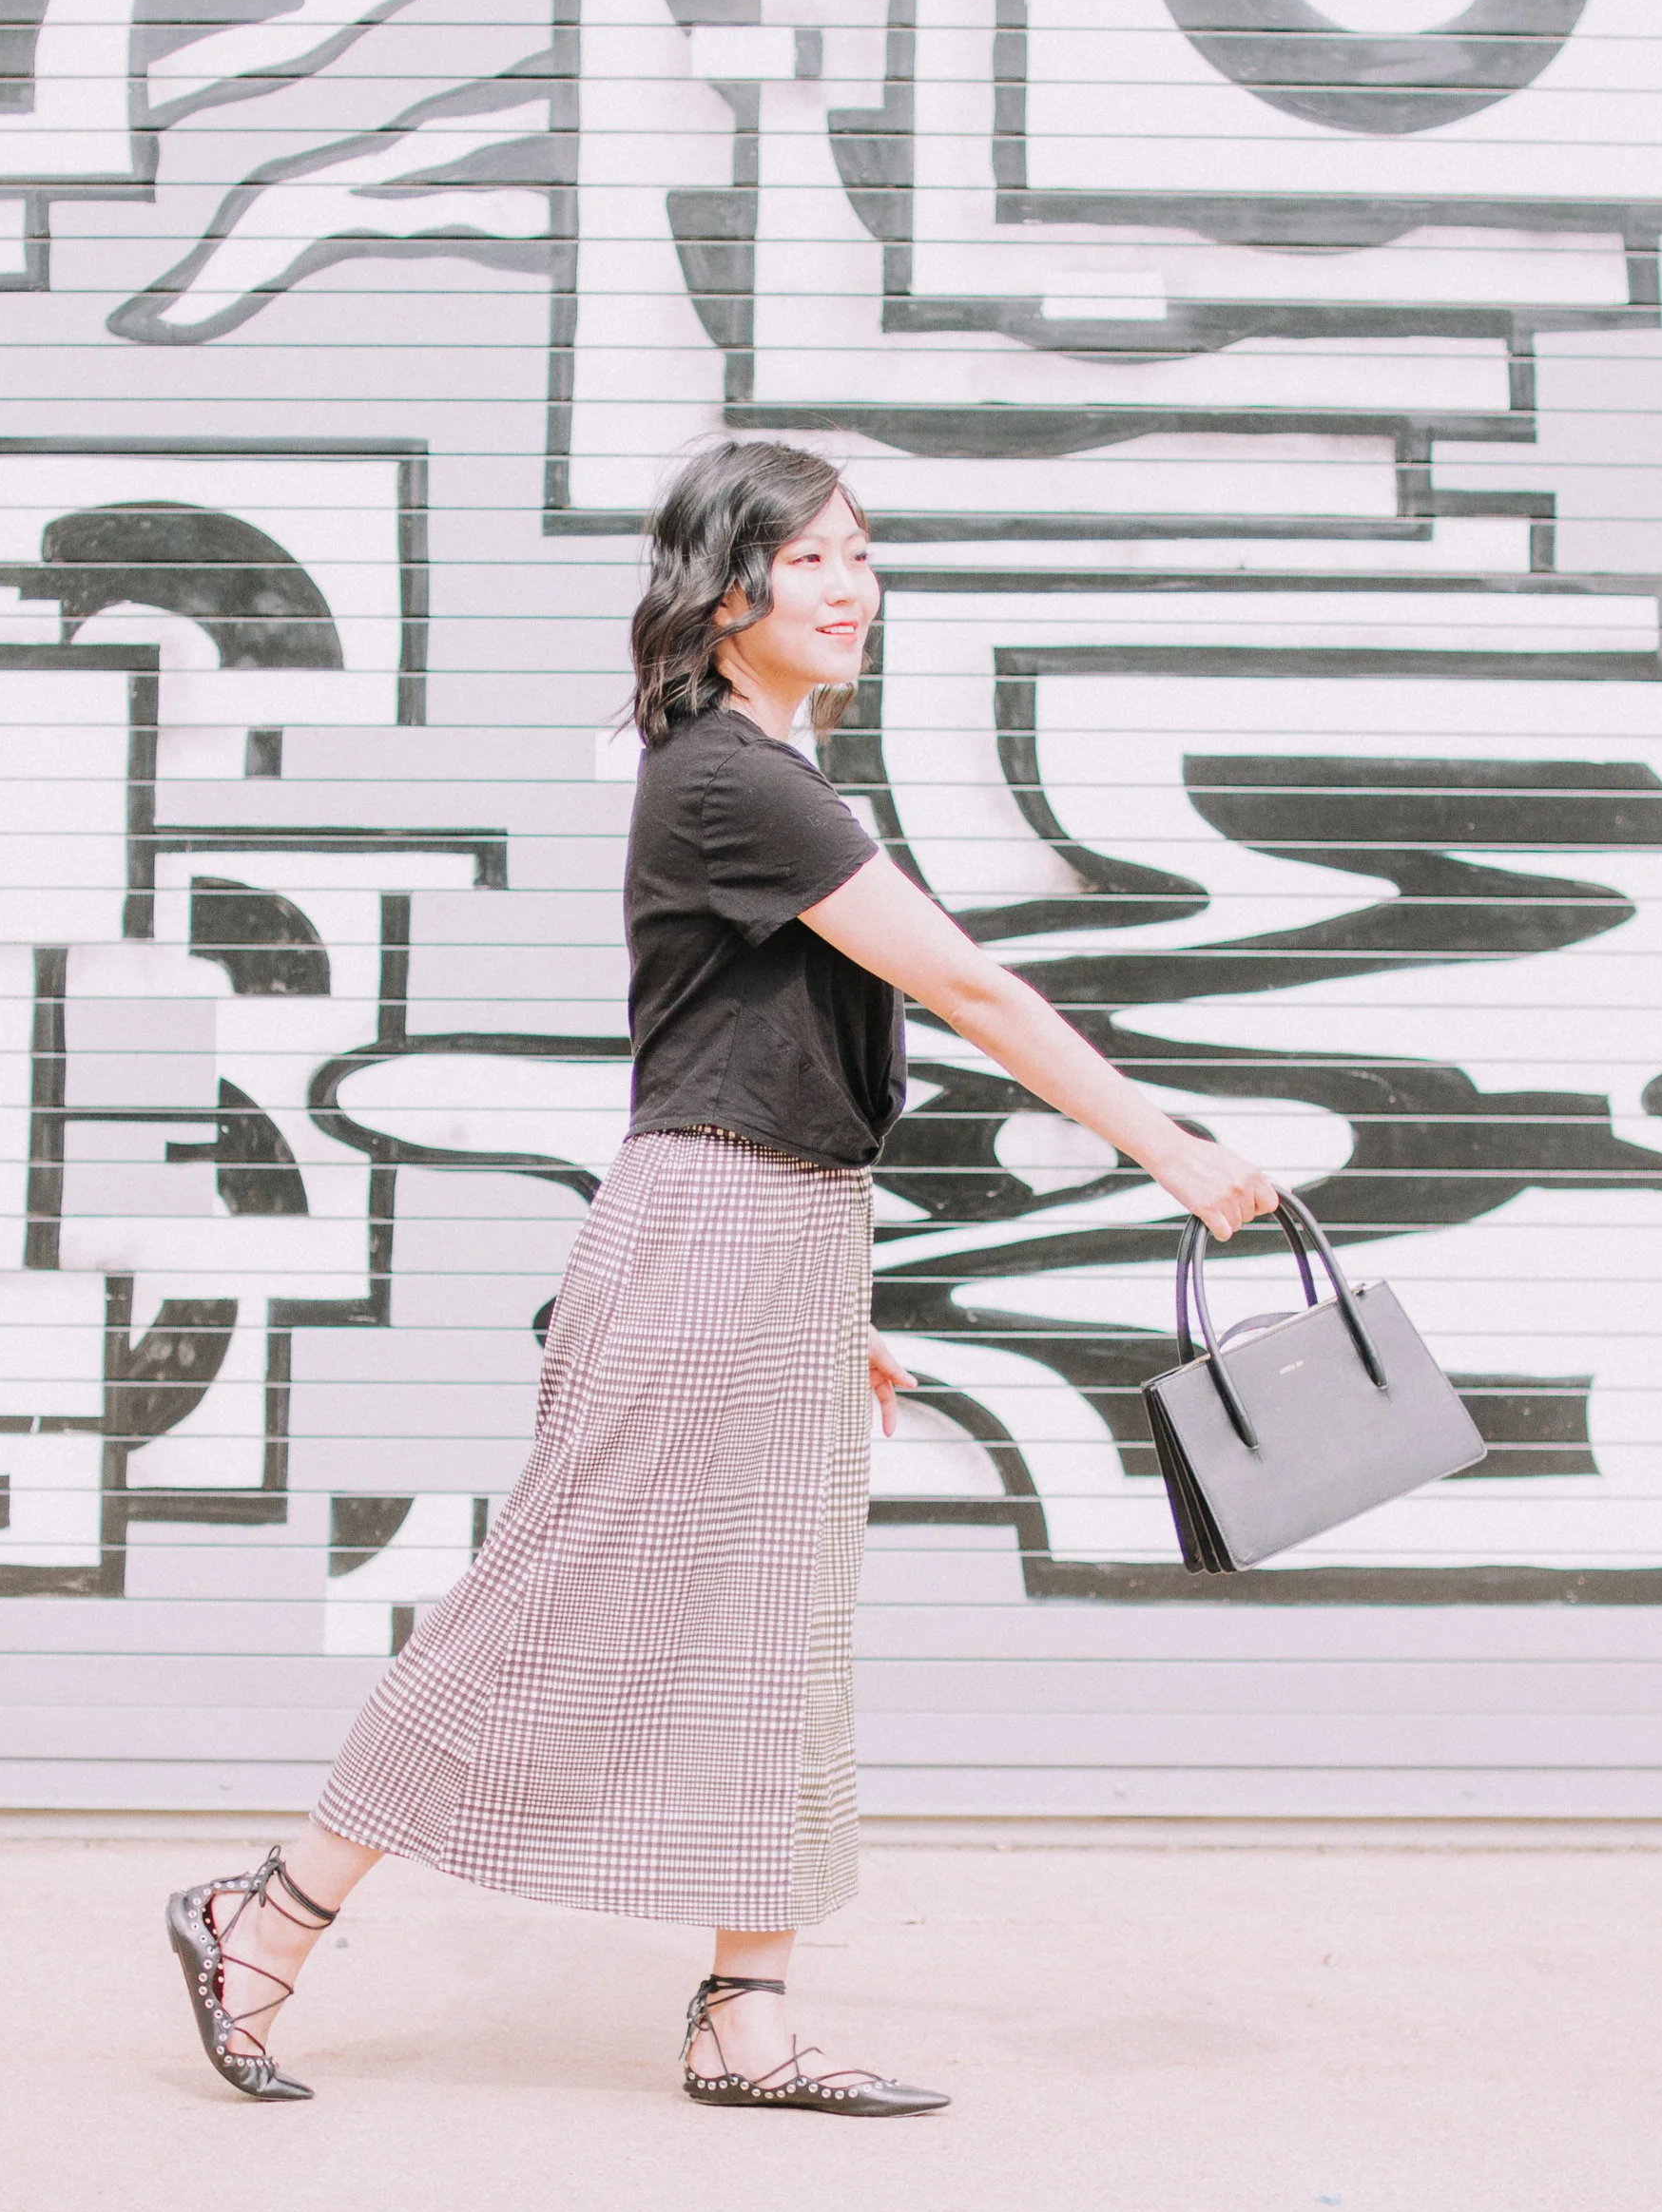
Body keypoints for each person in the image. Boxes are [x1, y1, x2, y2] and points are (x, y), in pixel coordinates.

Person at [165, 439, 1277, 2115]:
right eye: (810, 557)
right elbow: (969, 992)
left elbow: (776, 1063)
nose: (850, 586)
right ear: (723, 586)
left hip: (783, 1234)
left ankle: (744, 2015)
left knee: (774, 1636)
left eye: (862, 554)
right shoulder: (729, 785)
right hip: (704, 1233)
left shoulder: (767, 777)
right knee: (544, 1602)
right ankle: (268, 1913)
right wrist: (1168, 1149)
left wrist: (838, 1302)